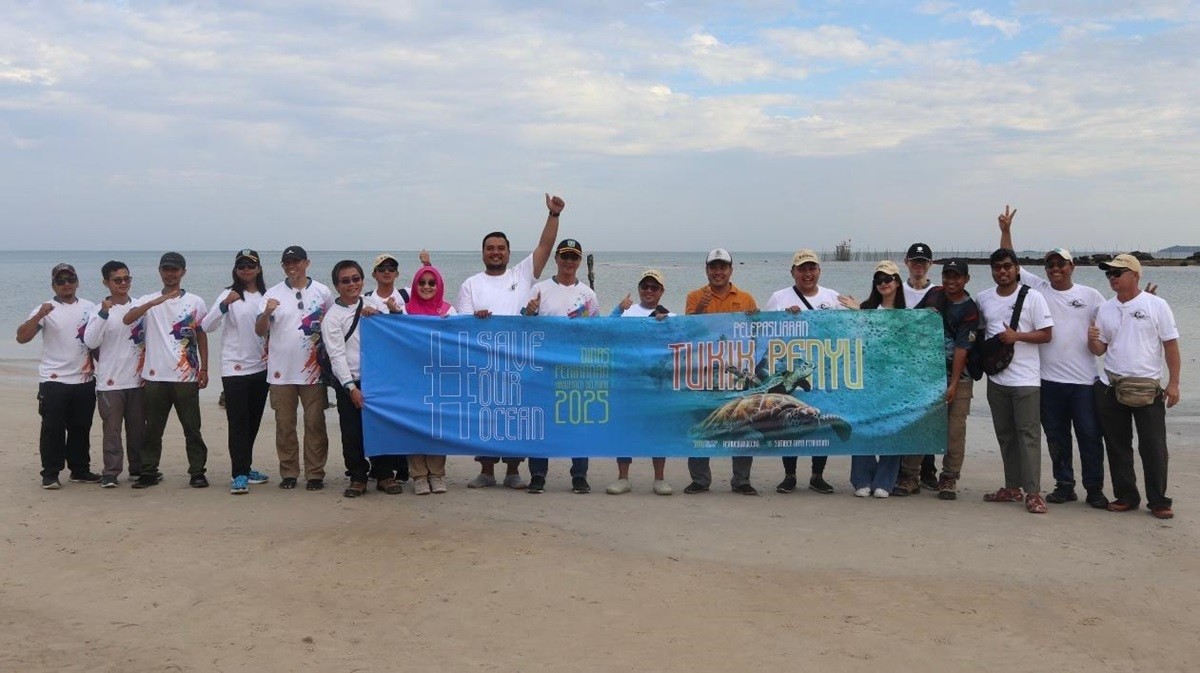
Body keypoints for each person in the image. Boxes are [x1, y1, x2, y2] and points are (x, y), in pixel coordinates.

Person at [998, 209, 1109, 507]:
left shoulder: (1091, 295)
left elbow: (1114, 320)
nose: (1055, 268)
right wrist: (1006, 231)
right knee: (1057, 437)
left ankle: (1094, 488)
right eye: (1050, 264)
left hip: (1084, 382)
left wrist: (1143, 302)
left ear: (1072, 266)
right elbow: (1011, 261)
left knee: (1089, 435)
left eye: (1061, 264)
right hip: (1048, 381)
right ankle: (1064, 485)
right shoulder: (1038, 290)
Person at [455, 193, 565, 490]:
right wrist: (475, 318)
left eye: (500, 248)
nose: (496, 252)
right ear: (482, 253)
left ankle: (514, 470)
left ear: (508, 252)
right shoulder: (470, 284)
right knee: (486, 417)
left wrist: (553, 216)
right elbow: (461, 326)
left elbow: (545, 247)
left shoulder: (522, 274)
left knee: (516, 416)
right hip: (484, 363)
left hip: (519, 362)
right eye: (490, 248)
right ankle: (486, 471)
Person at [1089, 254, 1181, 520]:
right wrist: (1092, 339)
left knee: (1154, 447)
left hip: (1147, 387)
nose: (1112, 277)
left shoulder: (1156, 305)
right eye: (1109, 273)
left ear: (1135, 275)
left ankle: (1159, 500)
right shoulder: (1105, 308)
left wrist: (1174, 383)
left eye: (1117, 272)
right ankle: (1126, 496)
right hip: (1111, 386)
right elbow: (1100, 350)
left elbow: (1170, 345)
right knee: (1117, 445)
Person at [123, 252, 211, 489]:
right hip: (155, 376)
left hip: (186, 376)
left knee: (192, 428)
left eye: (175, 269)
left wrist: (204, 368)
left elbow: (201, 334)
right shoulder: (148, 300)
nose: (170, 274)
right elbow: (127, 319)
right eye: (166, 269)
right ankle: (148, 471)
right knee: (152, 429)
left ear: (183, 272)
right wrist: (152, 304)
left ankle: (197, 472)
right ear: (159, 271)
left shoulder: (195, 301)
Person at [976, 246, 1053, 514]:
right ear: (992, 271)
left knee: (1028, 435)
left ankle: (1033, 492)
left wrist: (1017, 336)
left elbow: (1046, 334)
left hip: (1026, 379)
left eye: (1008, 266)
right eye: (997, 267)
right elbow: (980, 332)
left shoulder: (1033, 297)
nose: (1003, 271)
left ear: (1017, 268)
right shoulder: (983, 298)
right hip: (997, 379)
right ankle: (1011, 487)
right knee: (1006, 435)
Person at [764, 249, 845, 495]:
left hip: (823, 367)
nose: (807, 274)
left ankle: (817, 475)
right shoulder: (779, 297)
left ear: (819, 270)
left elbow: (848, 329)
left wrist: (858, 308)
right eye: (802, 269)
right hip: (789, 368)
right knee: (789, 417)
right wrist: (783, 318)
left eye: (812, 268)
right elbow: (762, 329)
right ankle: (789, 475)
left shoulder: (833, 297)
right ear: (793, 272)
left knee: (820, 417)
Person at [897, 258, 979, 499]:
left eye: (957, 276)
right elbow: (910, 319)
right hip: (927, 375)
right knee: (921, 425)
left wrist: (952, 385)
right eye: (947, 275)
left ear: (966, 279)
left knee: (955, 430)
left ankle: (949, 478)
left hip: (959, 378)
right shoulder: (933, 294)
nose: (951, 281)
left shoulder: (969, 309)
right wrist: (925, 314)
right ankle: (910, 476)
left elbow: (962, 350)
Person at [524, 238, 601, 494]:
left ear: (579, 261)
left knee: (578, 422)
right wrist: (529, 313)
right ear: (556, 258)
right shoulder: (539, 289)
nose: (569, 261)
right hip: (544, 369)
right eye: (564, 256)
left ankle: (579, 475)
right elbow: (523, 326)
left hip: (575, 368)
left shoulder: (588, 295)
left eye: (574, 257)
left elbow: (595, 332)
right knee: (541, 422)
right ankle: (537, 474)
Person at [256, 245, 334, 492]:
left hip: (314, 371)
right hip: (280, 372)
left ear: (306, 263)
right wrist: (266, 313)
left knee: (315, 423)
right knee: (285, 425)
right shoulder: (271, 294)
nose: (292, 266)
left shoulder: (323, 291)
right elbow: (259, 331)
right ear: (282, 266)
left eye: (296, 261)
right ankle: (289, 472)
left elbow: (333, 324)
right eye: (287, 262)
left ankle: (315, 474)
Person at [16, 263, 101, 489]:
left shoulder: (89, 307)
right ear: (53, 285)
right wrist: (39, 316)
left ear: (77, 282)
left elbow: (96, 341)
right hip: (54, 380)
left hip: (84, 379)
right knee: (52, 429)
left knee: (81, 428)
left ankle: (80, 470)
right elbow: (22, 338)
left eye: (70, 280)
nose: (66, 284)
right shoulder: (45, 309)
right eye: (60, 281)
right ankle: (51, 473)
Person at [684, 248, 759, 495]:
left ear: (731, 270)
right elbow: (687, 333)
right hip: (705, 373)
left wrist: (756, 319)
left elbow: (758, 333)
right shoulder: (694, 297)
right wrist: (699, 310)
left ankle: (742, 480)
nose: (718, 272)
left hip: (737, 373)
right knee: (702, 422)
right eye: (713, 267)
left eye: (722, 267)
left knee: (743, 422)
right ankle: (700, 480)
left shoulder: (746, 298)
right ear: (706, 270)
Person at [201, 249, 272, 495]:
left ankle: (246, 467)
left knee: (253, 421)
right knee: (238, 422)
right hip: (234, 368)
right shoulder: (228, 294)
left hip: (261, 367)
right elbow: (206, 326)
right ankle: (238, 474)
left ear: (258, 268)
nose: (246, 269)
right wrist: (224, 305)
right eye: (241, 265)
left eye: (250, 265)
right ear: (235, 269)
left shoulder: (266, 295)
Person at [323, 260, 394, 498]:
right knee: (352, 431)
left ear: (363, 280)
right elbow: (336, 356)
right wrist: (350, 387)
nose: (352, 284)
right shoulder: (332, 317)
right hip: (350, 381)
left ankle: (384, 474)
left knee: (380, 428)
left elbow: (394, 330)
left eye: (356, 279)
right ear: (337, 286)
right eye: (345, 281)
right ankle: (357, 476)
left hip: (377, 380)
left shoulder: (374, 303)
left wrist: (380, 315)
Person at [837, 261, 905, 498]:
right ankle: (862, 478)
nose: (883, 284)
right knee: (862, 424)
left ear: (897, 282)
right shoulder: (865, 308)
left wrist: (930, 317)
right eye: (878, 280)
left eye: (888, 279)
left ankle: (885, 480)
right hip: (866, 376)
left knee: (893, 427)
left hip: (894, 378)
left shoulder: (908, 313)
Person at [606, 269, 673, 496]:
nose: (649, 290)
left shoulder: (669, 315)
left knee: (657, 430)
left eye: (654, 287)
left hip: (656, 383)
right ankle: (623, 477)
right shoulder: (627, 311)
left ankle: (659, 479)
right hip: (628, 380)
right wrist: (618, 308)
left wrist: (665, 326)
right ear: (639, 289)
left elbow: (680, 341)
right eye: (645, 286)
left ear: (662, 291)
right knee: (625, 429)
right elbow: (604, 330)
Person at [82, 261, 145, 487]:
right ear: (106, 282)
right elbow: (90, 341)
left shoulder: (139, 306)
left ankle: (138, 469)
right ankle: (111, 472)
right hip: (110, 382)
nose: (123, 283)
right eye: (118, 280)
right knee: (112, 431)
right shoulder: (97, 310)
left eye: (127, 279)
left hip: (138, 380)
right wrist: (103, 313)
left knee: (138, 431)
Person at [404, 263, 457, 495]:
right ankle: (418, 475)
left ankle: (436, 474)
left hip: (439, 377)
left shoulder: (449, 310)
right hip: (412, 376)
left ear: (439, 285)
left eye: (432, 283)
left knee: (437, 425)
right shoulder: (404, 311)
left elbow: (459, 340)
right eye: (422, 282)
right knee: (414, 425)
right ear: (415, 285)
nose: (426, 287)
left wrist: (450, 326)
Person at [902, 242, 940, 489]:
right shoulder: (897, 290)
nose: (919, 266)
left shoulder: (939, 292)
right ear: (906, 263)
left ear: (930, 265)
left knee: (929, 417)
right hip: (902, 366)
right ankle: (904, 469)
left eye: (923, 262)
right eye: (915, 261)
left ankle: (928, 470)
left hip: (930, 365)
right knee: (906, 416)